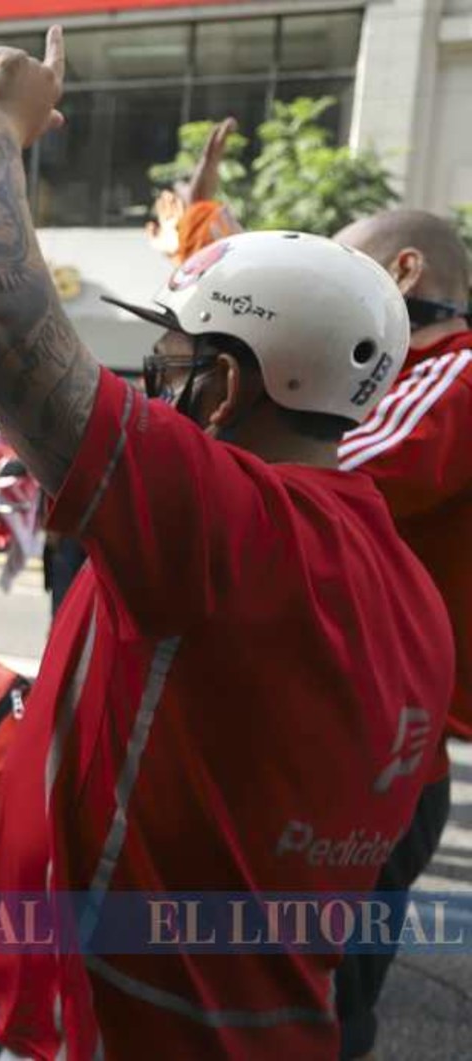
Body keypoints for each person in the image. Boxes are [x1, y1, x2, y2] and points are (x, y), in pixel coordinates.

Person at [0, 29, 451, 1061]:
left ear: (222, 388)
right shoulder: (402, 583)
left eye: (168, 365)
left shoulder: (223, 527)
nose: (151, 389)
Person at [331, 208, 472, 1061]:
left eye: (341, 271)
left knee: (309, 1013)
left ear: (404, 273)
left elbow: (319, 468)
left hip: (367, 755)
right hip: (367, 744)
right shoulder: (409, 378)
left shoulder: (450, 375)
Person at [144, 116, 242, 264]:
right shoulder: (195, 206)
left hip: (197, 247)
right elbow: (209, 160)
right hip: (196, 249)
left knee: (209, 164)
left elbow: (209, 160)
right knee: (209, 163)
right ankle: (217, 136)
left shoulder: (197, 207)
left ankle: (217, 136)